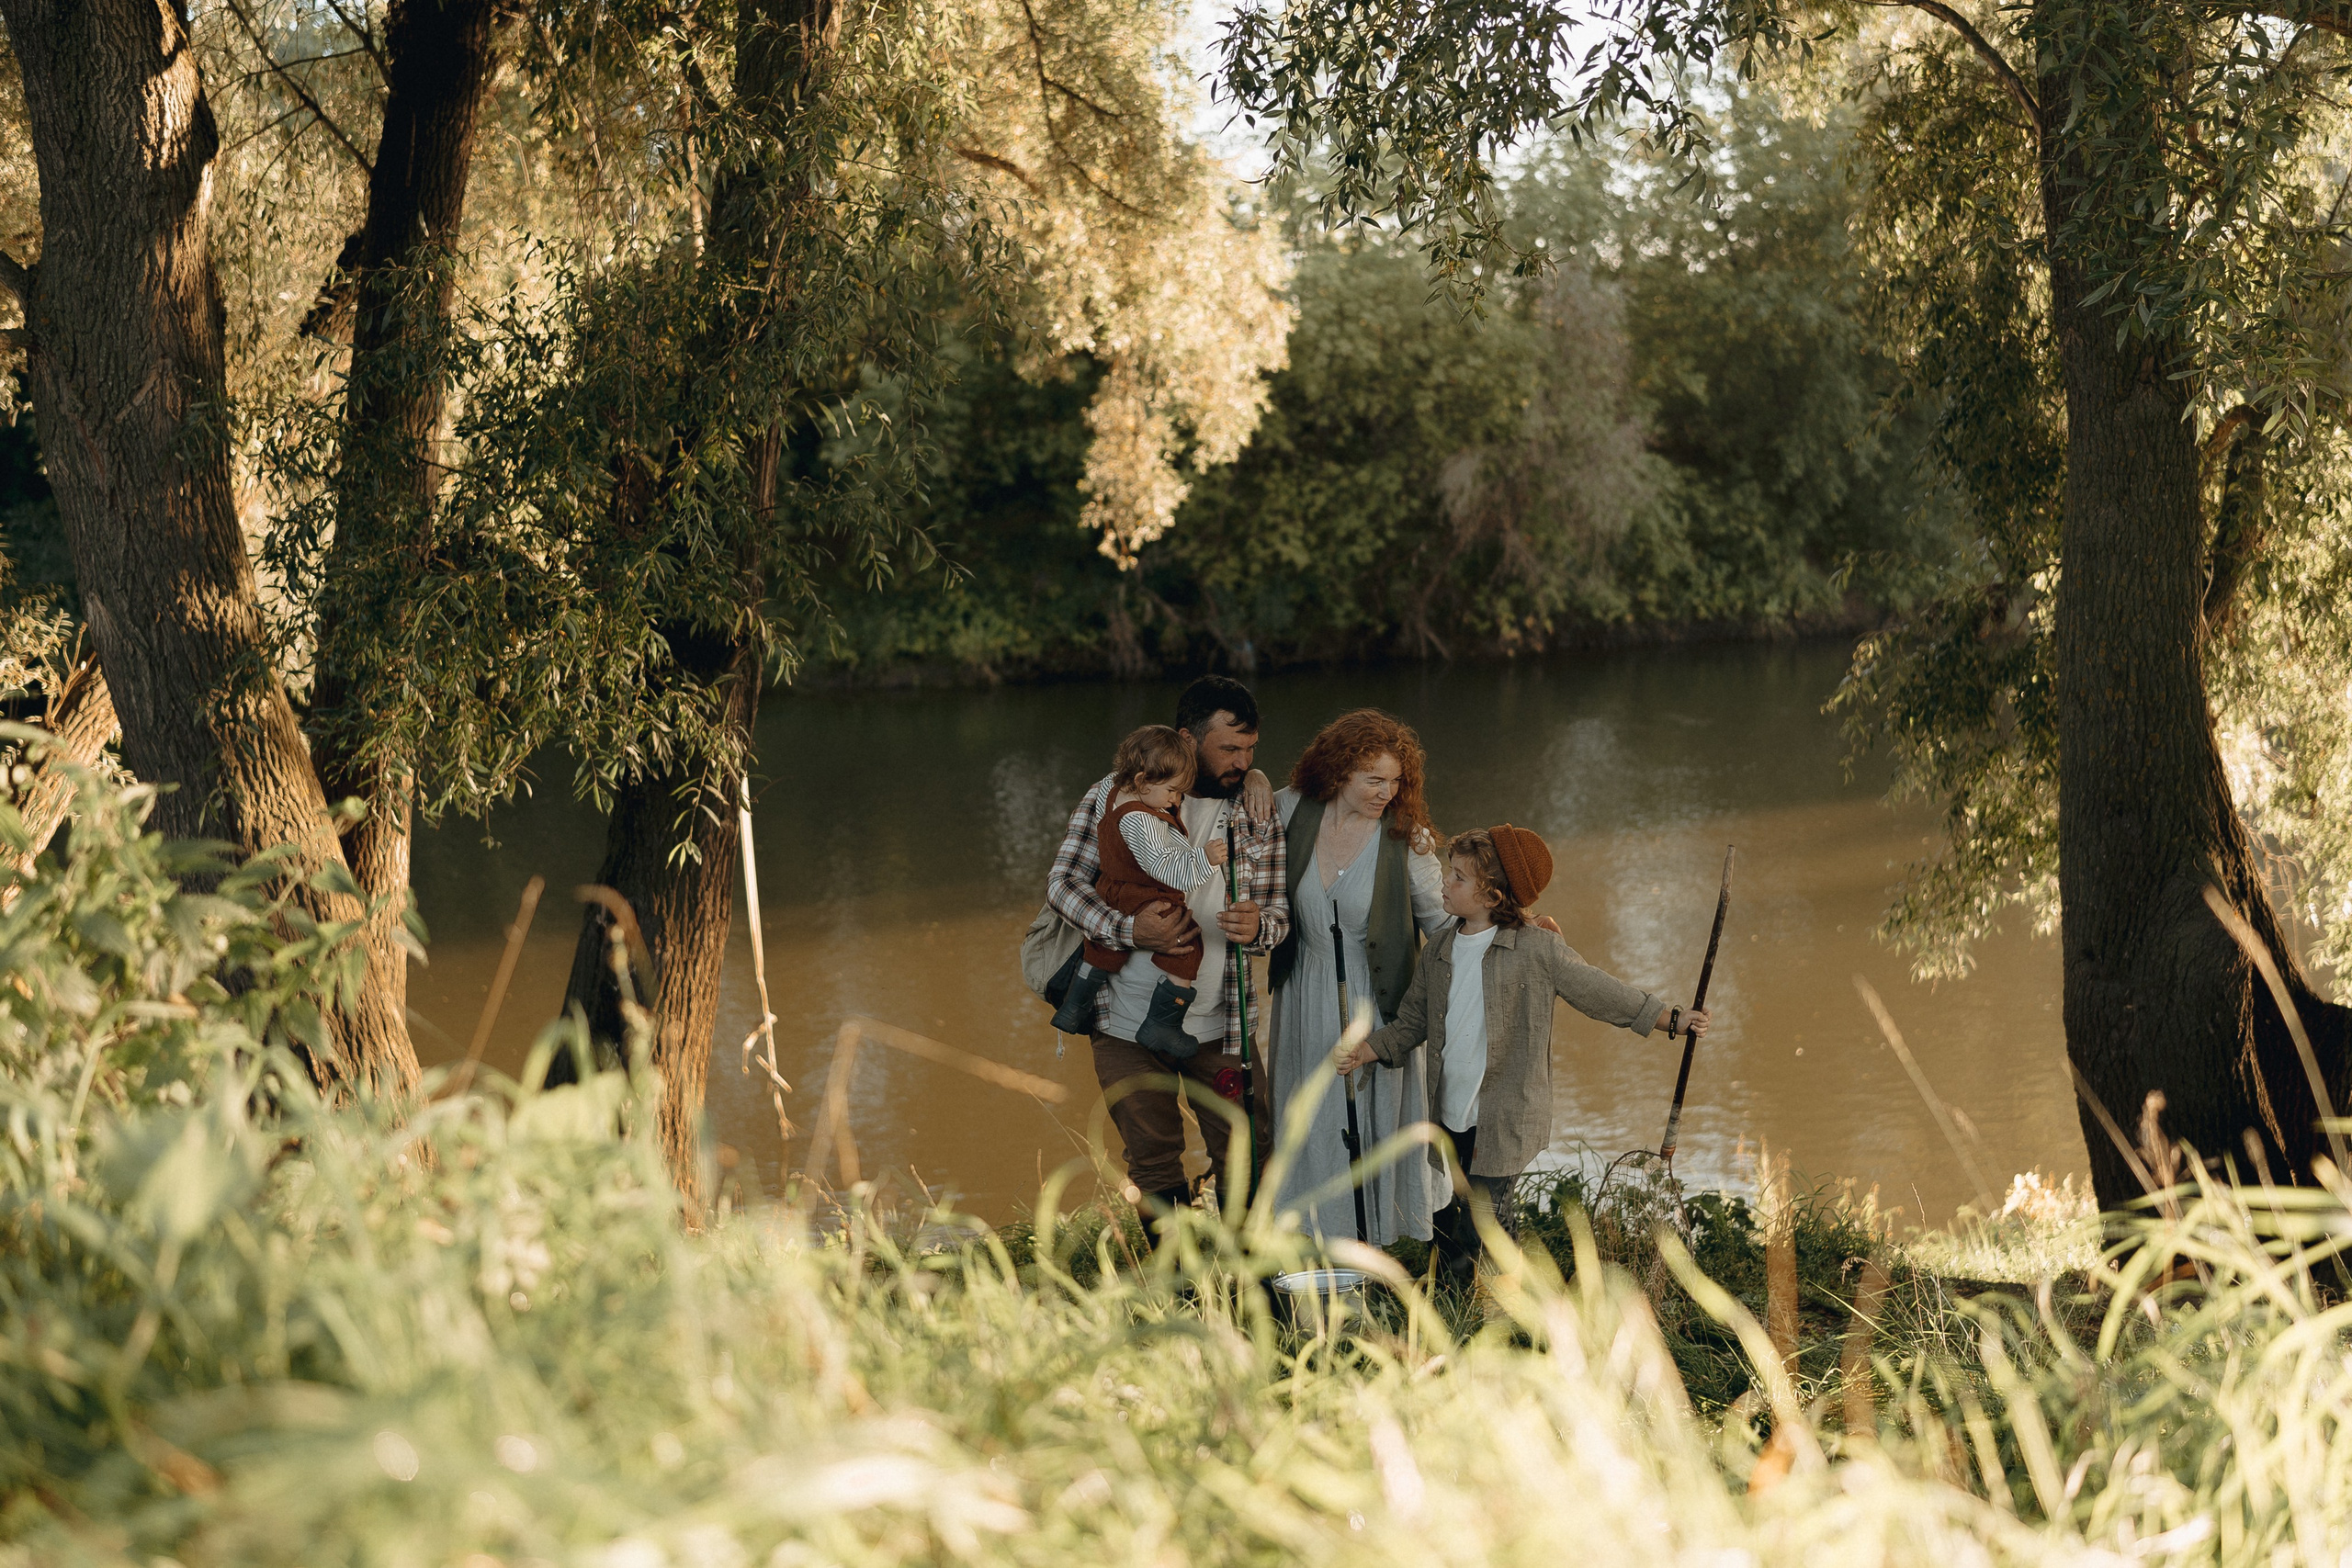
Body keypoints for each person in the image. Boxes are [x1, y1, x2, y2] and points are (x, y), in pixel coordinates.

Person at [1334, 824, 1712, 1280]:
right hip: (1452, 1112)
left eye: (1457, 878)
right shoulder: (1440, 950)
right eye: (1448, 874)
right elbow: (1413, 1021)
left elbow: (1599, 992)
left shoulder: (1537, 949)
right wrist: (1368, 1050)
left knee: (1479, 1219)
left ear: (1492, 897)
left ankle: (1455, 1304)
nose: (1444, 884)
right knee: (1476, 1210)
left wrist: (1669, 1018)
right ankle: (1525, 1291)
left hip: (1506, 1114)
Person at [1045, 675, 1289, 1224]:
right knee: (1153, 1161)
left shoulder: (1257, 807)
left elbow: (1278, 916)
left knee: (1248, 1152)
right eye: (1229, 748)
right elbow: (1063, 885)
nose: (1242, 762)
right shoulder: (1115, 793)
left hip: (1223, 1024)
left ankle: (1252, 1292)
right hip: (1122, 1023)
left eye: (1251, 749)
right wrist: (1131, 932)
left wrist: (1259, 928)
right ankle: (1181, 1293)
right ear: (1186, 739)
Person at [1266, 709, 1450, 1246]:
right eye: (1374, 779)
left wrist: (1507, 930)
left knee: (1371, 1128)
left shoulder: (1406, 839)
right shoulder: (1289, 810)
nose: (1386, 792)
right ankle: (1314, 1242)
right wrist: (1254, 776)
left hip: (1377, 1000)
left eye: (1395, 781)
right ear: (1340, 770)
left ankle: (1376, 1247)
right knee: (1311, 1125)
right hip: (1302, 994)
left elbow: (1441, 922)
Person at [1050, 725, 1233, 1053]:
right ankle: (1163, 1025)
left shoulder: (1110, 788)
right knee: (1188, 943)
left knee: (1102, 947)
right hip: (1143, 893)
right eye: (1173, 791)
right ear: (1141, 782)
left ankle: (1074, 1007)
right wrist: (1206, 858)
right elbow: (1166, 869)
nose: (1176, 800)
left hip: (1113, 888)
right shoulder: (1141, 819)